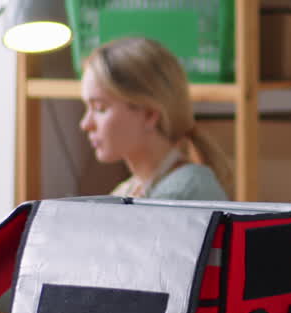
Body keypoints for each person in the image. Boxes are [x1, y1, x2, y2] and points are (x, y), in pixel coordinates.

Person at [79, 36, 231, 201]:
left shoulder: (183, 193)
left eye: (100, 108)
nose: (85, 124)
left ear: (149, 114)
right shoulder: (127, 190)